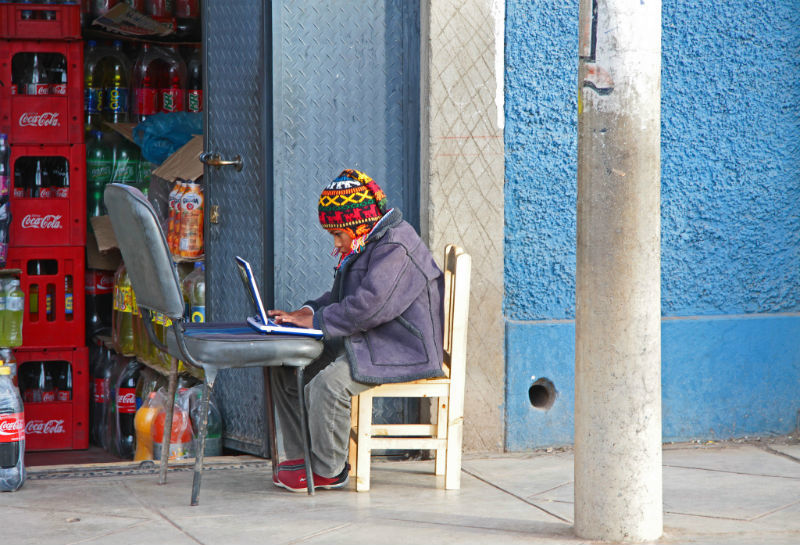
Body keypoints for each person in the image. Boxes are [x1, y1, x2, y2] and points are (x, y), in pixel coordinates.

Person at [268, 169, 445, 492]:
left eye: (339, 235)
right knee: (285, 364)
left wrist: (318, 322)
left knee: (328, 385)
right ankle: (301, 455)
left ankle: (329, 469)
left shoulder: (397, 247)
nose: (336, 243)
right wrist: (306, 313)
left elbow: (370, 306)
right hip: (371, 338)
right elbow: (341, 298)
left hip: (401, 346)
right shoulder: (369, 240)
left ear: (359, 224)